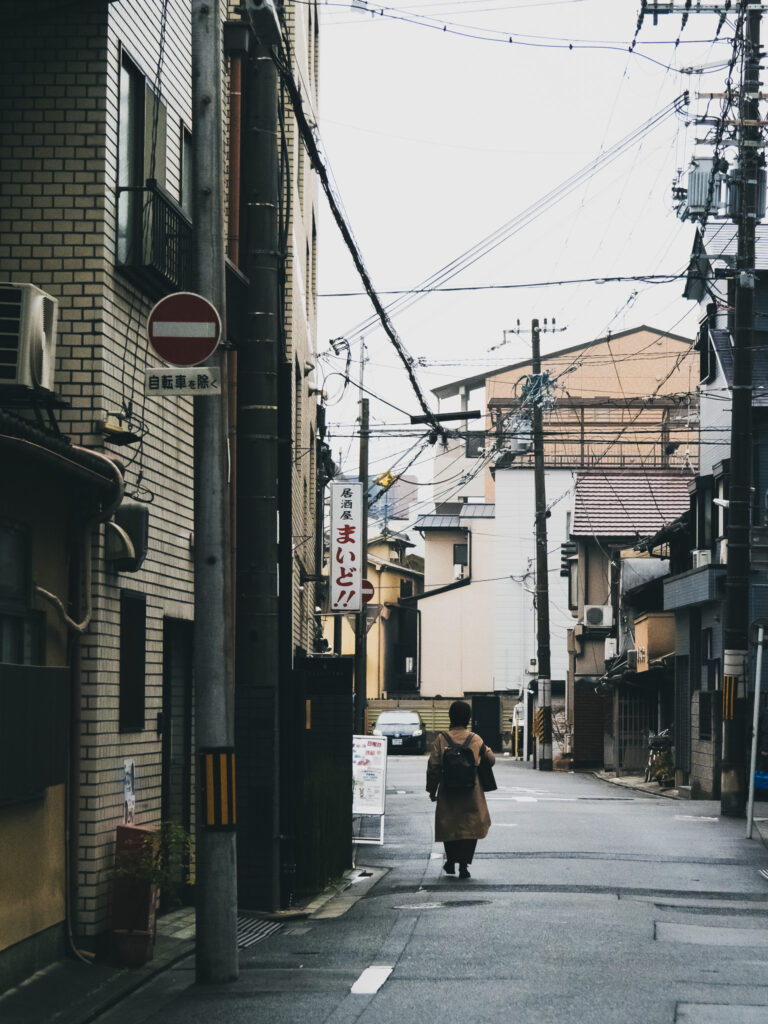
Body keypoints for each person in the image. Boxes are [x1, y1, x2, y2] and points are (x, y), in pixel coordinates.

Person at [426, 699, 495, 879]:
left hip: (448, 790)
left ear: (450, 716)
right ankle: (463, 865)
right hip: (472, 791)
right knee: (470, 827)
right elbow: (491, 759)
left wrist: (431, 790)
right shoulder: (475, 739)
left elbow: (433, 766)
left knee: (450, 826)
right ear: (468, 718)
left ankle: (450, 860)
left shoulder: (441, 739)